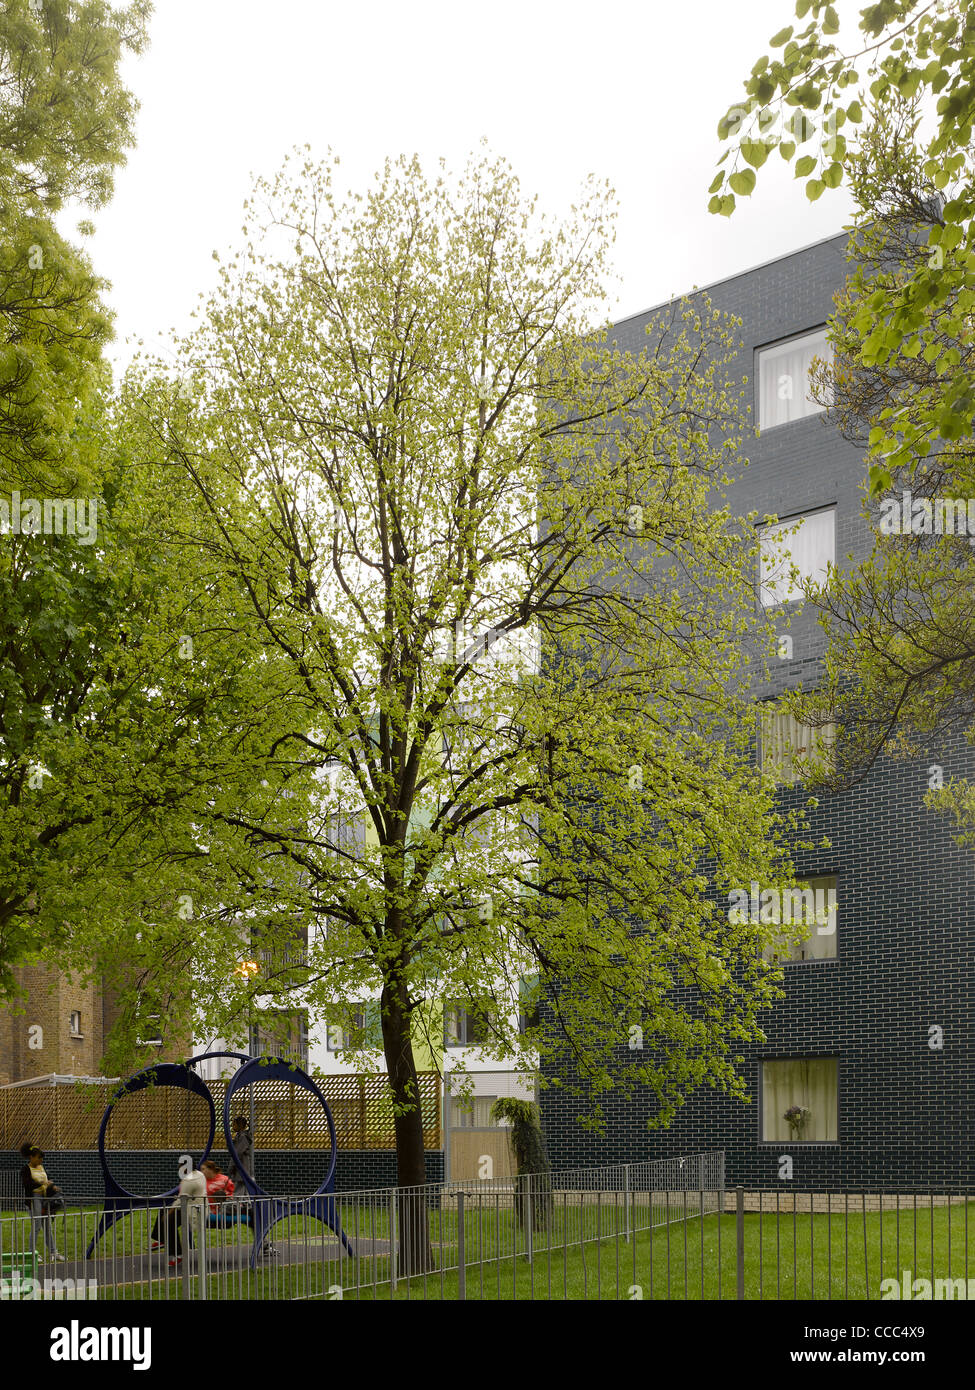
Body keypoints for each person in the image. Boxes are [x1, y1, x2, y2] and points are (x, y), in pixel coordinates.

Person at [201, 1158, 277, 1258]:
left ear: (210, 1169)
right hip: (213, 1211)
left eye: (203, 1169)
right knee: (249, 1212)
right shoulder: (201, 1182)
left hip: (229, 1208)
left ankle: (265, 1244)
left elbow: (234, 1194)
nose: (201, 1172)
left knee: (253, 1215)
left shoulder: (224, 1179)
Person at [151, 1163, 207, 1267]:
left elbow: (180, 1201)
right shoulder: (199, 1174)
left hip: (192, 1210)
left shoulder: (188, 1181)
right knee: (163, 1211)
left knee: (168, 1221)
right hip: (196, 1206)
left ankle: (178, 1254)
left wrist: (169, 1212)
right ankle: (161, 1238)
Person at [21, 1145, 65, 1261]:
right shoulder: (25, 1169)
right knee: (37, 1226)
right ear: (31, 1157)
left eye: (42, 1158)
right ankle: (32, 1253)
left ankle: (53, 1252)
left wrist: (52, 1187)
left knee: (47, 1226)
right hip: (34, 1199)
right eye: (39, 1158)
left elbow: (46, 1182)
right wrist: (42, 1183)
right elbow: (28, 1185)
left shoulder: (41, 1167)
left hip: (45, 1198)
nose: (41, 1160)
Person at [228, 1115, 253, 1182]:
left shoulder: (242, 1137)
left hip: (241, 1169)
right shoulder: (238, 1136)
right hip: (239, 1169)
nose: (232, 1126)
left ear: (240, 1125)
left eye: (234, 1124)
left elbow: (238, 1153)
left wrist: (232, 1166)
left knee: (239, 1191)